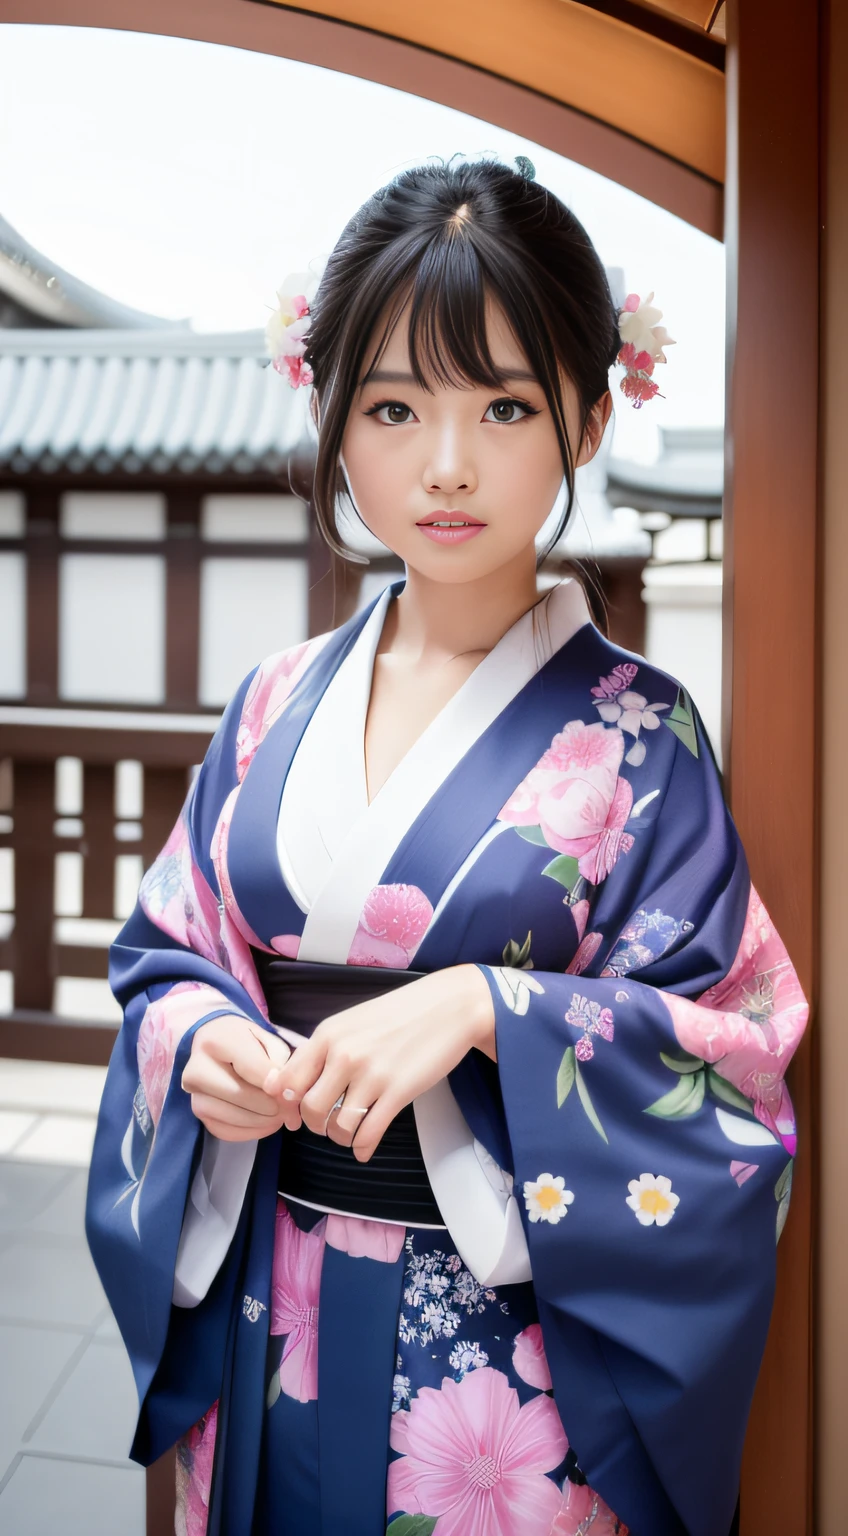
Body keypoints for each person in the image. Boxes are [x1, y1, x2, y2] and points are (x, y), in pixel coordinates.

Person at [86, 158, 807, 1536]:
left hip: (500, 1365)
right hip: (268, 1298)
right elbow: (167, 949)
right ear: (340, 424)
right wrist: (198, 1040)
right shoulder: (272, 702)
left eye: (508, 405)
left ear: (589, 418)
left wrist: (488, 1008)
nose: (449, 463)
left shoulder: (644, 735)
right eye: (397, 406)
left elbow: (737, 1047)